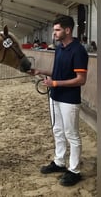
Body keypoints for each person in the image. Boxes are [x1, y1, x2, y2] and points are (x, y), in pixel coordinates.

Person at [28, 15, 88, 186]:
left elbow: (81, 79)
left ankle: (74, 170)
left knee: (72, 134)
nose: (54, 33)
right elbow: (58, 72)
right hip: (56, 96)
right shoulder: (60, 48)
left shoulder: (78, 51)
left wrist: (55, 83)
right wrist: (41, 70)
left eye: (57, 30)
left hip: (69, 99)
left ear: (67, 30)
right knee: (58, 131)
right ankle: (59, 162)